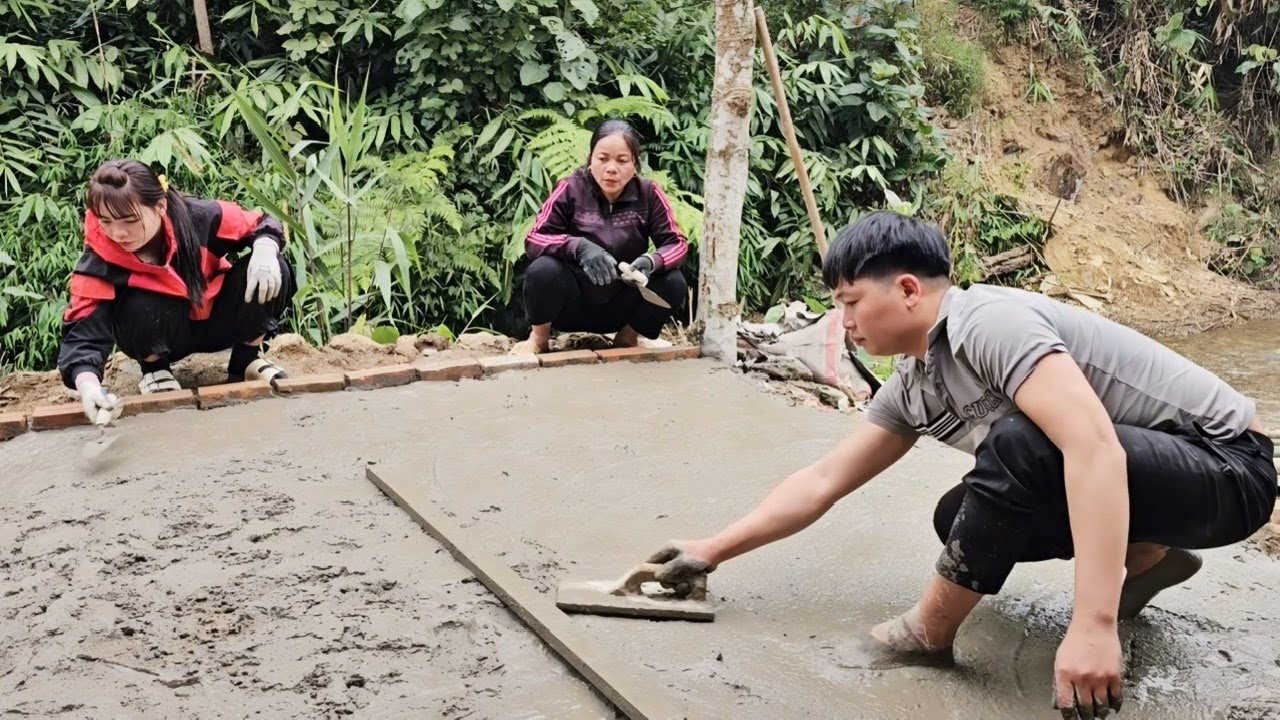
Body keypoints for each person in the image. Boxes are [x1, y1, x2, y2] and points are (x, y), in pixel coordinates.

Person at [645, 211, 1276, 719]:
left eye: (849, 302)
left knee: (1022, 443)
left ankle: (928, 632)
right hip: (1159, 481)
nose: (845, 323)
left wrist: (1093, 626)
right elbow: (822, 481)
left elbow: (1093, 448)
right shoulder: (915, 384)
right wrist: (712, 550)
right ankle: (1151, 556)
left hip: (1231, 471)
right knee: (960, 515)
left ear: (909, 289)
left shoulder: (989, 323)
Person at [57, 159, 295, 423]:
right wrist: (88, 386)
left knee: (276, 269)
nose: (118, 233)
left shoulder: (199, 217)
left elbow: (261, 221)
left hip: (218, 321)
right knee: (137, 301)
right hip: (163, 336)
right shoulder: (98, 260)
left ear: (159, 206)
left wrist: (266, 245)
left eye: (129, 220)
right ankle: (156, 370)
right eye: (107, 222)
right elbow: (83, 332)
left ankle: (246, 361)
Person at [512, 119, 689, 354]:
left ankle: (627, 339)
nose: (611, 169)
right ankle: (538, 339)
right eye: (603, 159)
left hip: (621, 304)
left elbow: (676, 243)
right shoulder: (570, 188)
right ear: (590, 160)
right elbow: (534, 239)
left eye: (622, 160)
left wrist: (650, 261)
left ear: (635, 164)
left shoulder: (649, 193)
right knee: (542, 269)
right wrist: (579, 247)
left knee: (674, 281)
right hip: (571, 304)